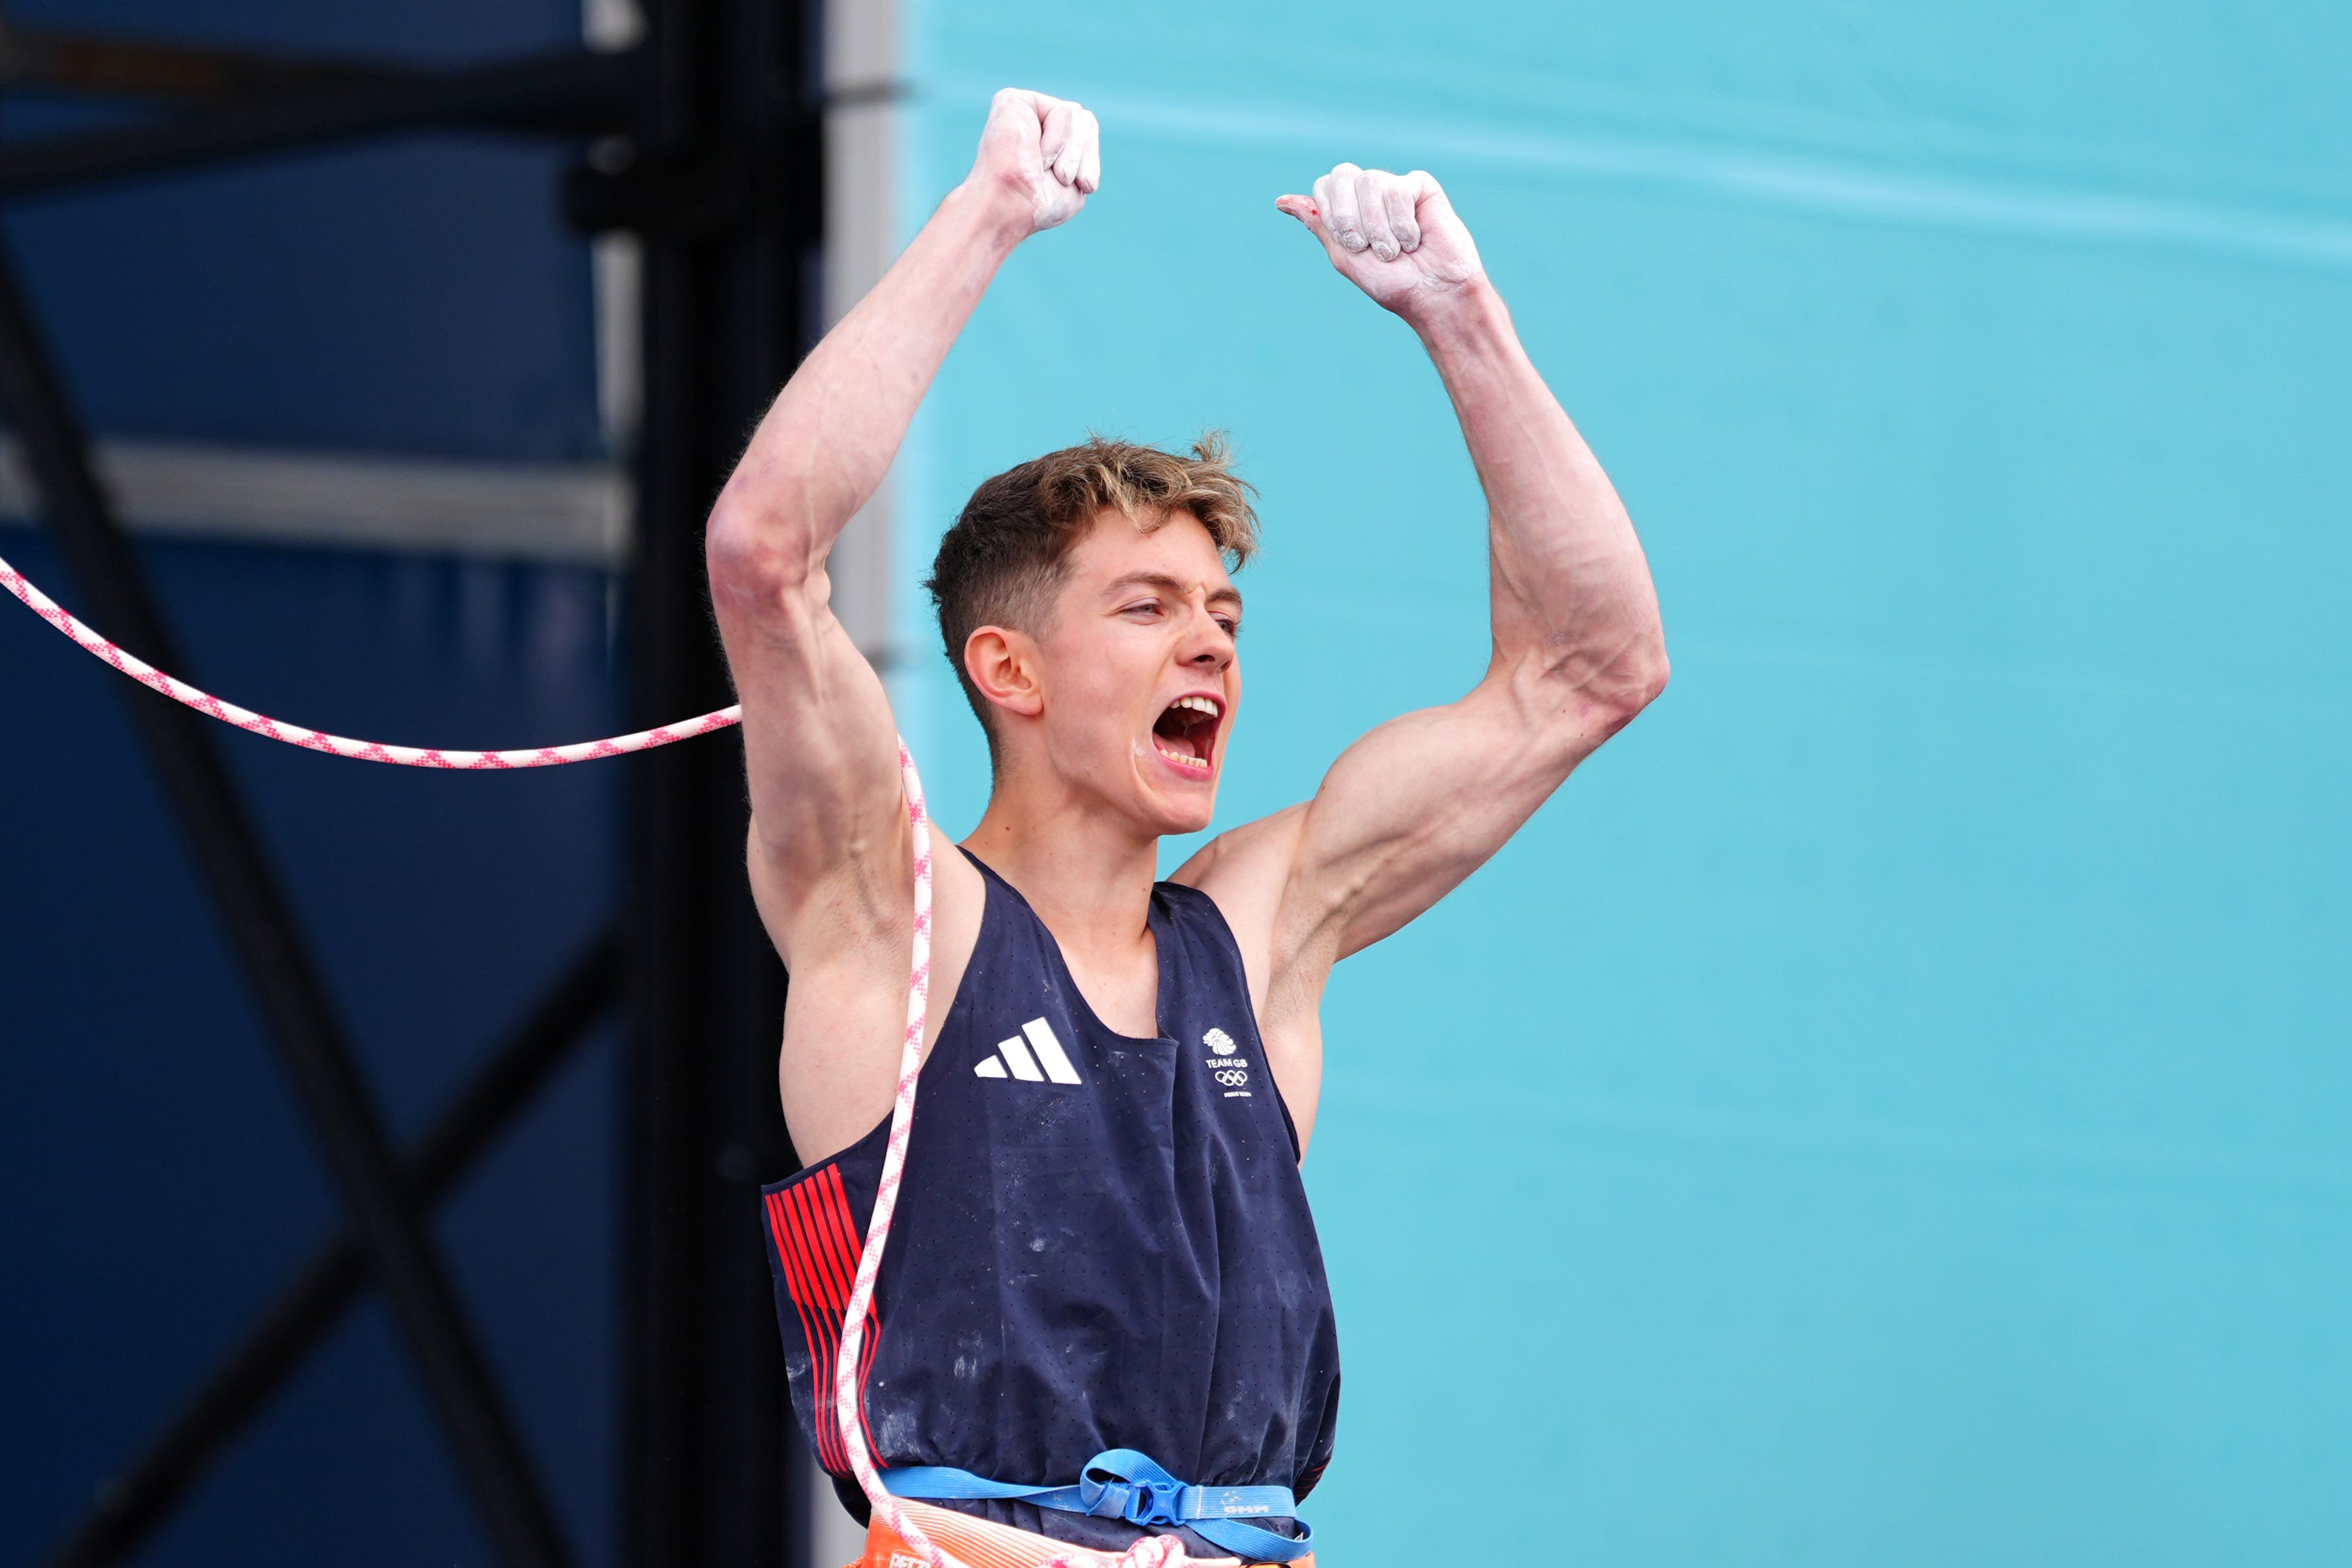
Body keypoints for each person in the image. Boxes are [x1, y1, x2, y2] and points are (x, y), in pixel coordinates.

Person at [711, 87, 1667, 1568]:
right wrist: (988, 221)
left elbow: (1596, 668)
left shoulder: (1263, 933)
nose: (1210, 647)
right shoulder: (896, 919)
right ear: (1007, 670)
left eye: (1225, 615)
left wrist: (1460, 315)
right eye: (1148, 609)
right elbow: (765, 555)